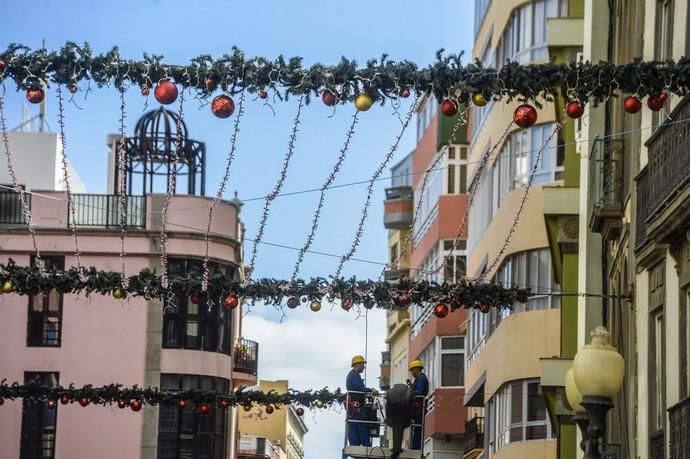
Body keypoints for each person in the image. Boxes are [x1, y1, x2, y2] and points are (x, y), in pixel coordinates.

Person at [346, 355, 374, 447]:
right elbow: (359, 388)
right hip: (356, 409)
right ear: (357, 364)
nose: (364, 367)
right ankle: (365, 446)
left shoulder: (353, 375)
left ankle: (356, 445)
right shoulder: (353, 376)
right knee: (361, 426)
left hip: (354, 409)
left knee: (355, 428)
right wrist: (371, 390)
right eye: (363, 364)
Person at [408, 360, 429, 450]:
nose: (412, 373)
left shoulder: (422, 379)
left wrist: (411, 392)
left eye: (412, 370)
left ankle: (416, 448)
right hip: (416, 408)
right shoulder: (418, 380)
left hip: (419, 408)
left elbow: (419, 392)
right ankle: (415, 446)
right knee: (416, 428)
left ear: (416, 369)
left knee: (418, 429)